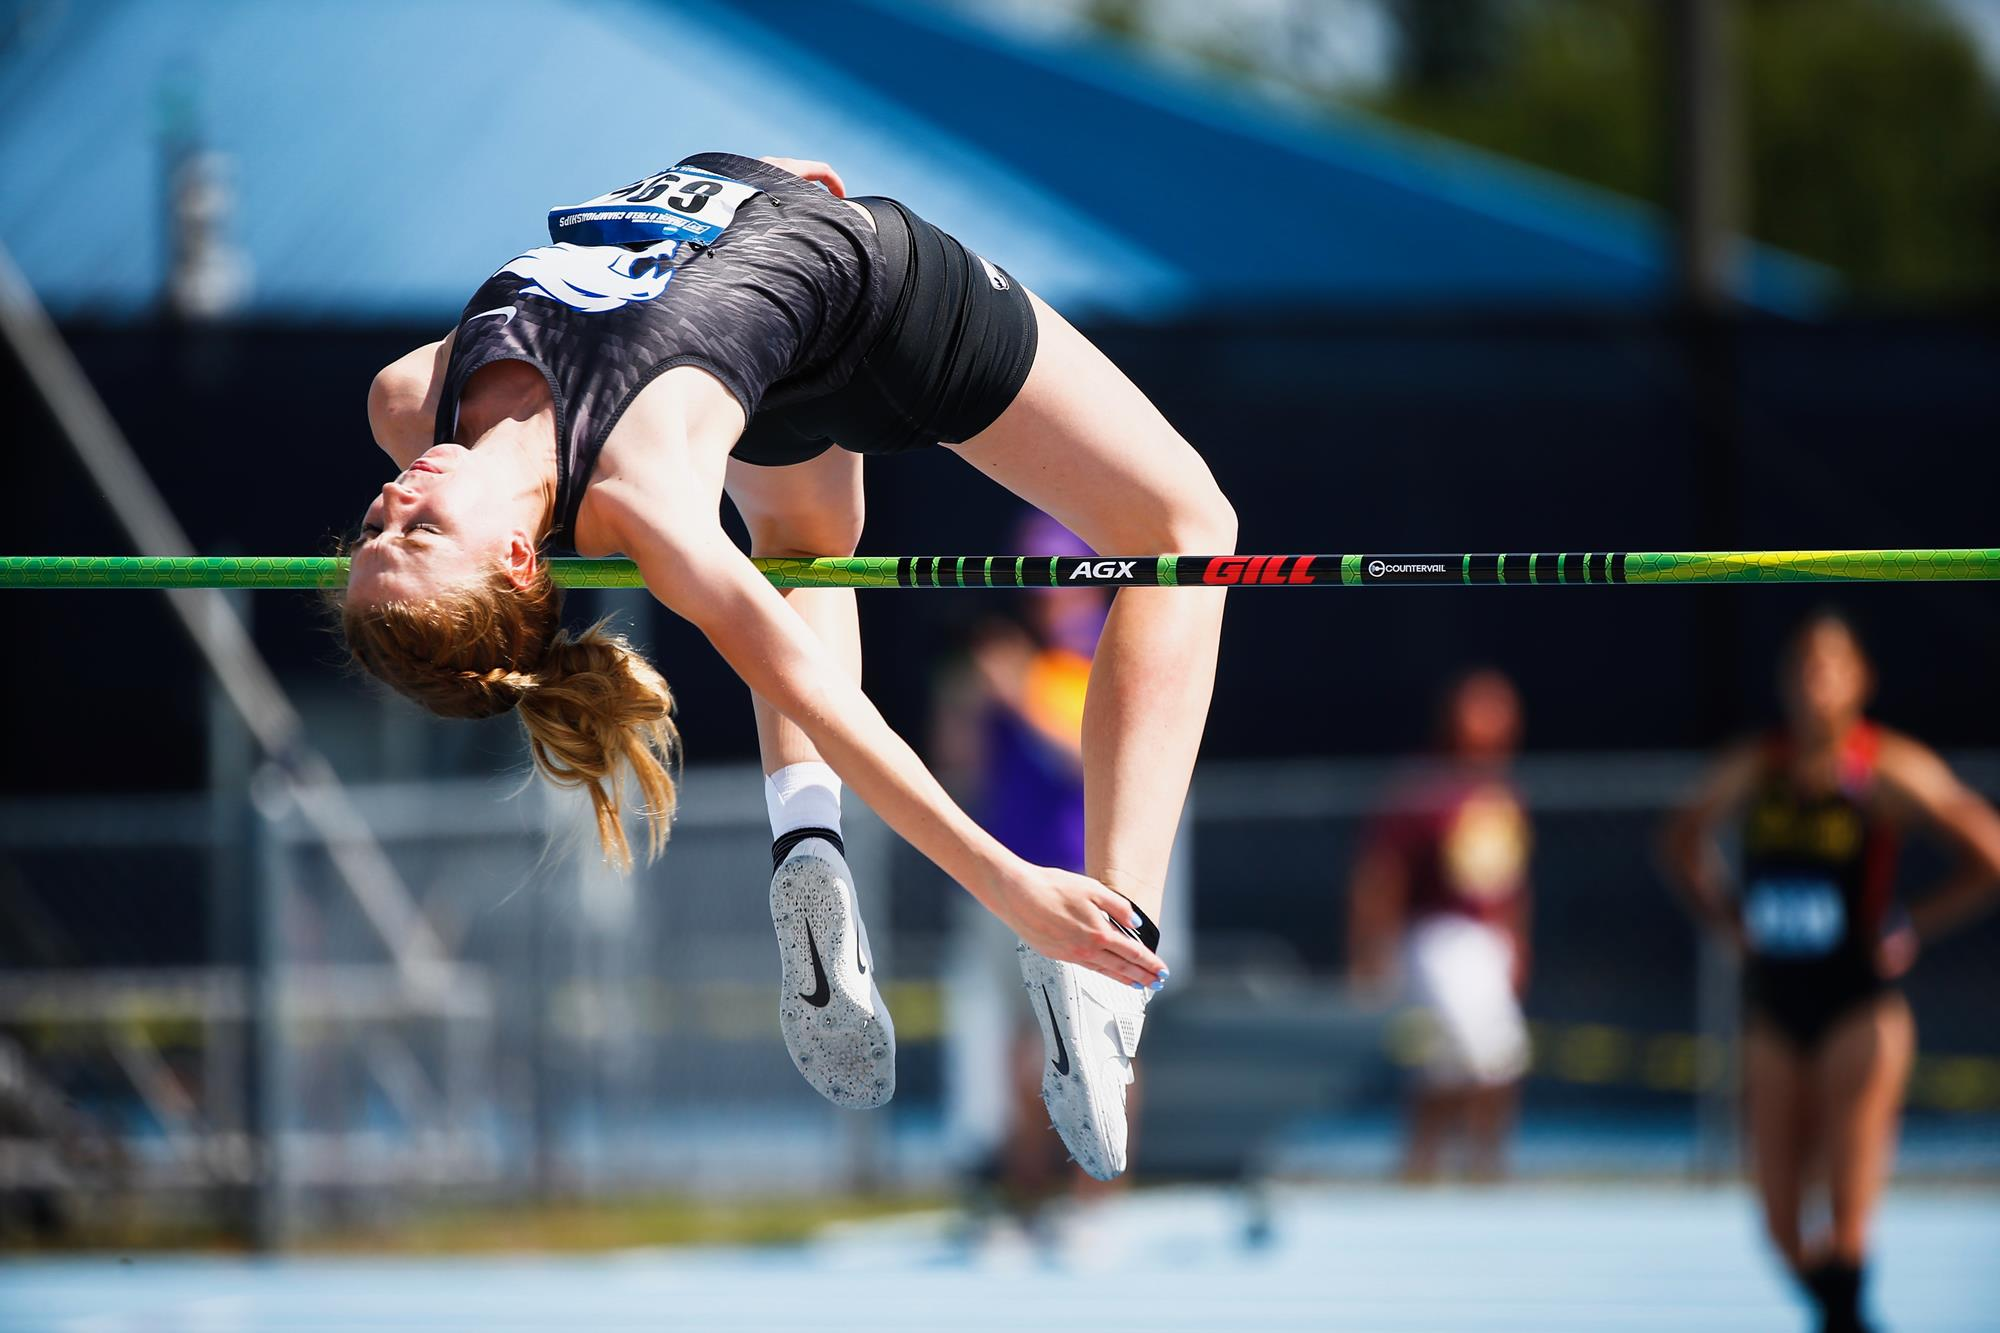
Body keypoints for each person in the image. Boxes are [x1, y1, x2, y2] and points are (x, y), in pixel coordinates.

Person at [341, 153, 1233, 1179]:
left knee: (809, 542)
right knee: (1186, 526)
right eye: (416, 535)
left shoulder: (409, 399)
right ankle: (1111, 946)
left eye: (375, 527)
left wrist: (750, 177)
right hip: (872, 299)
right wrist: (1014, 887)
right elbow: (819, 691)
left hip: (767, 348)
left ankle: (806, 844)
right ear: (510, 557)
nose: (398, 499)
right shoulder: (645, 496)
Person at [1663, 611, 2000, 1333]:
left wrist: (1913, 919)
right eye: (1803, 666)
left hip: (1858, 1008)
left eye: (1831, 666)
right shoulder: (1760, 765)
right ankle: (1849, 1316)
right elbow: (1680, 838)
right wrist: (1726, 918)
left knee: (1848, 1222)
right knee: (1780, 1226)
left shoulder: (1883, 770)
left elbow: (1990, 853)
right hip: (1775, 1005)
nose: (1816, 683)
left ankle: (1846, 1306)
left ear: (1861, 680)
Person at [1347, 669, 1533, 1182]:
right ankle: (1424, 1163)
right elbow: (1380, 876)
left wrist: (1516, 943)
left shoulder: (1503, 795)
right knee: (1475, 1058)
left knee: (1475, 1064)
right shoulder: (1424, 789)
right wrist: (1371, 952)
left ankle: (1477, 1165)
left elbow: (1510, 885)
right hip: (1436, 942)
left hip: (1488, 947)